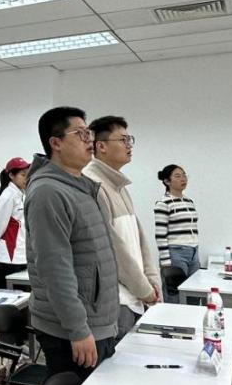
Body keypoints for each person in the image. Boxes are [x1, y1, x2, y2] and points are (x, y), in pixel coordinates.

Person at [24, 106, 117, 385]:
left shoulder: (82, 186)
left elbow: (94, 259)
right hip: (70, 332)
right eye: (81, 133)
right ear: (55, 142)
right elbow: (56, 268)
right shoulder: (47, 192)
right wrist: (79, 328)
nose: (89, 140)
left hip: (95, 324)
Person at [84, 116, 161, 338]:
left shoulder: (119, 186)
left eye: (130, 139)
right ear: (101, 146)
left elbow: (139, 241)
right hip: (117, 300)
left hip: (136, 296)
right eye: (123, 139)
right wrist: (144, 289)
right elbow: (113, 250)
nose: (129, 145)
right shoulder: (93, 185)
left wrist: (152, 281)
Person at [154, 164, 200, 302]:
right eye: (178, 176)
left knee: (194, 293)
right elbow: (160, 234)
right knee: (175, 295)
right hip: (175, 253)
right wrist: (166, 262)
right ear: (167, 181)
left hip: (193, 251)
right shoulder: (163, 203)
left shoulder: (189, 201)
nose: (183, 179)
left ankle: (192, 317)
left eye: (184, 175)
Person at [0, 157, 30, 290]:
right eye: (23, 175)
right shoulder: (8, 196)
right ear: (11, 175)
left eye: (27, 175)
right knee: (7, 299)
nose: (26, 178)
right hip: (8, 259)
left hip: (19, 257)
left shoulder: (21, 195)